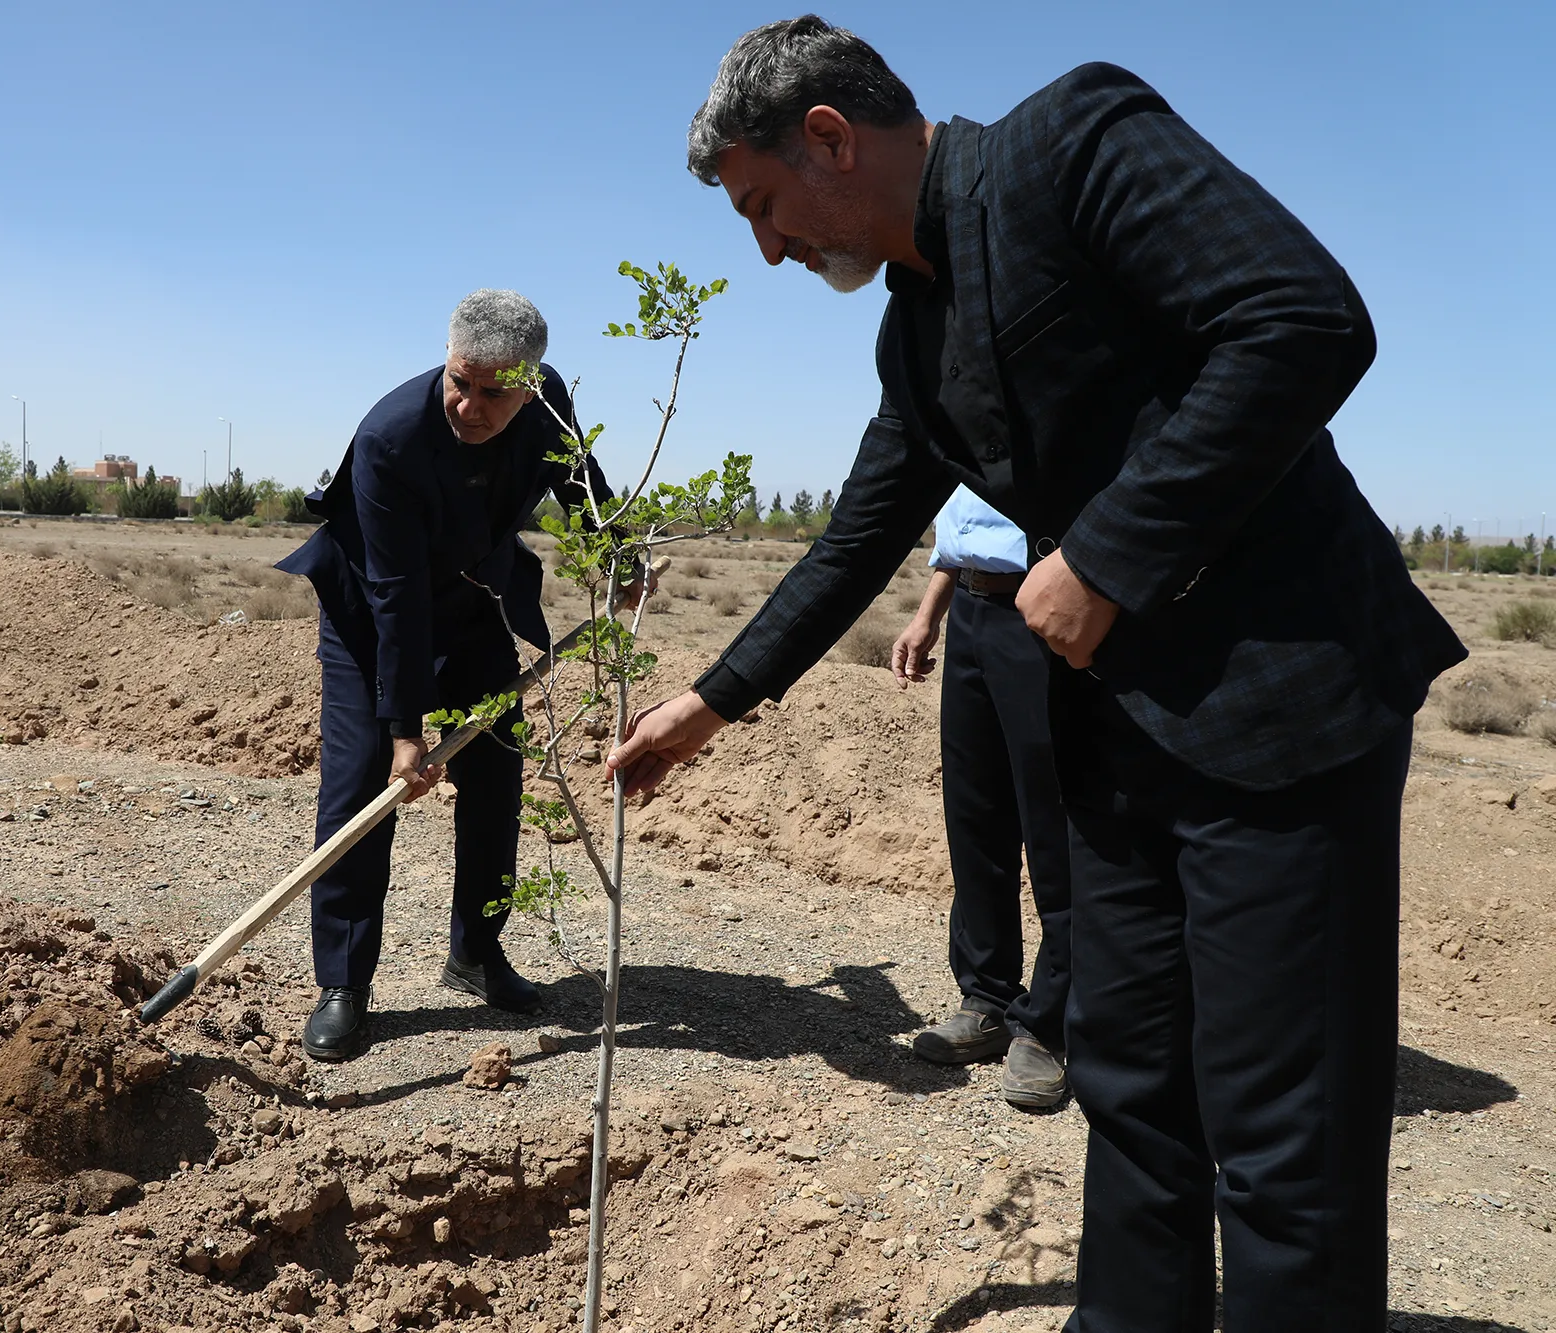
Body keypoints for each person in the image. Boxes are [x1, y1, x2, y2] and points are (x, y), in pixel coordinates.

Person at [609, 18, 1466, 1330]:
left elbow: (1301, 319)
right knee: (1129, 1093)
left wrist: (1108, 553)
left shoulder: (1069, 144)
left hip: (1284, 716)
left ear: (830, 136)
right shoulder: (914, 333)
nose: (767, 247)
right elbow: (861, 531)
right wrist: (707, 703)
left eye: (765, 205)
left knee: (1282, 1139)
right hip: (1115, 749)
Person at [276, 289, 612, 1063]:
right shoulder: (392, 437)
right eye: (461, 380)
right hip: (371, 620)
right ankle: (345, 983)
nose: (469, 403)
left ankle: (475, 951)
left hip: (475, 602)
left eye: (495, 391)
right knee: (362, 786)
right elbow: (396, 599)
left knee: (496, 773)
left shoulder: (549, 401)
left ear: (530, 385)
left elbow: (582, 485)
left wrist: (619, 551)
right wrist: (405, 731)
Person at [894, 485, 1069, 1109]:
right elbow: (967, 527)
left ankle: (1051, 1023)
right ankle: (987, 999)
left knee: (1054, 828)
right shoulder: (974, 413)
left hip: (1048, 613)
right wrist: (929, 613)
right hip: (972, 606)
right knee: (976, 819)